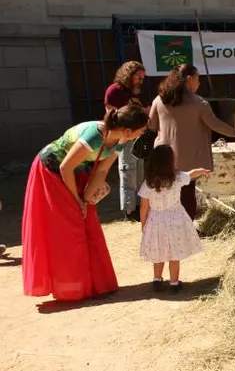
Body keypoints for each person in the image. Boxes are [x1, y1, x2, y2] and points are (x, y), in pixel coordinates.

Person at [22, 104, 149, 301]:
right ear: (127, 130)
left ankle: (93, 284)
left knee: (87, 221)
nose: (142, 133)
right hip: (51, 172)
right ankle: (72, 288)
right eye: (140, 130)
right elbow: (65, 167)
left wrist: (87, 199)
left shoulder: (122, 139)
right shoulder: (93, 136)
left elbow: (102, 170)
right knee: (70, 226)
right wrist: (76, 201)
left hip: (74, 174)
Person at [149, 64, 235, 220]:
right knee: (187, 195)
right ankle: (186, 227)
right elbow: (216, 125)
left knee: (165, 194)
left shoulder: (159, 100)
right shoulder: (199, 103)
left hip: (163, 157)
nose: (199, 83)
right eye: (198, 79)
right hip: (187, 160)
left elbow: (152, 125)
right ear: (189, 79)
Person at [139, 145, 209, 292]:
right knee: (174, 253)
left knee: (159, 251)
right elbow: (191, 174)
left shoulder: (148, 184)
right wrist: (202, 171)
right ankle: (174, 283)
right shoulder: (177, 179)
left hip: (155, 220)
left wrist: (144, 224)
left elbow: (144, 207)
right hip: (176, 220)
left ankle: (157, 280)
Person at [104, 61, 147, 222]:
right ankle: (129, 209)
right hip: (124, 135)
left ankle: (137, 205)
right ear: (129, 75)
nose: (140, 81)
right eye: (138, 78)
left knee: (139, 170)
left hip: (137, 134)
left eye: (142, 78)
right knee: (128, 170)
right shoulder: (115, 90)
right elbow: (112, 115)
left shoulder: (135, 91)